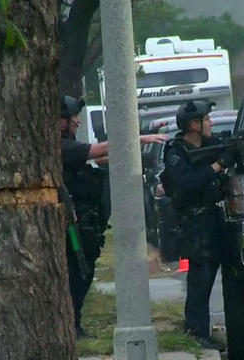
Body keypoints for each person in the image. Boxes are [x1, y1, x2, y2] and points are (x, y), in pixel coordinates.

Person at [59, 95, 167, 337]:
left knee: (82, 274)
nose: (77, 121)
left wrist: (134, 152)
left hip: (85, 225)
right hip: (73, 227)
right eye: (73, 117)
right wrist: (135, 139)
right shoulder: (59, 145)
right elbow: (98, 150)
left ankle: (73, 324)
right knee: (77, 275)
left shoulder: (70, 145)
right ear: (61, 120)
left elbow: (100, 157)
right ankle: (71, 326)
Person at [161, 100, 231, 351]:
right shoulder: (176, 151)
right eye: (207, 119)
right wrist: (216, 166)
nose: (211, 123)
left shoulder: (211, 145)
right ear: (194, 124)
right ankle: (195, 330)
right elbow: (184, 183)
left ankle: (205, 329)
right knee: (200, 277)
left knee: (215, 275)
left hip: (214, 219)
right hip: (192, 222)